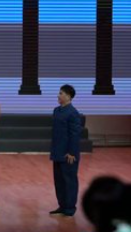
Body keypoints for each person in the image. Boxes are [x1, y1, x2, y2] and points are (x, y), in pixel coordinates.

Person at [50, 84, 82, 217]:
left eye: (61, 93)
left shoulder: (73, 113)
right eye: (59, 93)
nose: (58, 95)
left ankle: (69, 208)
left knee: (69, 181)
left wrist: (72, 152)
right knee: (59, 181)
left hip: (69, 154)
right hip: (57, 152)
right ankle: (62, 206)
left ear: (68, 96)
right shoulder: (57, 110)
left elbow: (75, 134)